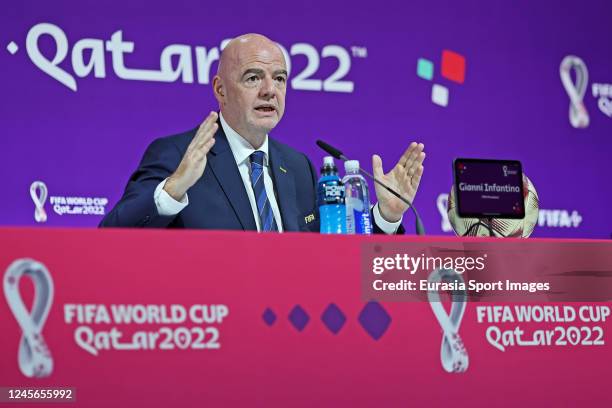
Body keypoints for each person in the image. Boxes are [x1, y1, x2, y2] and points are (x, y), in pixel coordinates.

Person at [99, 33, 425, 232]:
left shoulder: (298, 167)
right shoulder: (176, 155)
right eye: (254, 78)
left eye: (280, 79)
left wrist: (386, 216)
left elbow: (336, 262)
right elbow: (111, 237)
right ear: (221, 90)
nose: (270, 90)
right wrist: (172, 189)